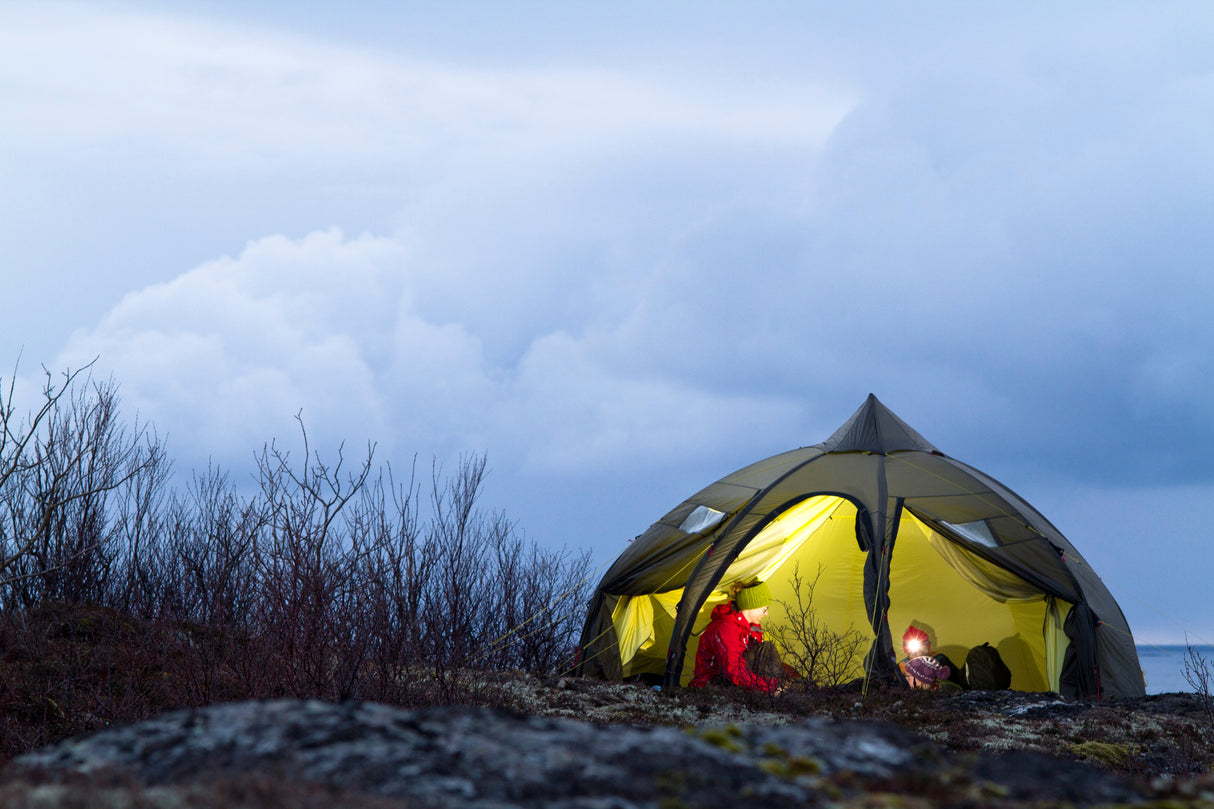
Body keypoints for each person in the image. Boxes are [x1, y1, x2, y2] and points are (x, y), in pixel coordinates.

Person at [689, 581, 784, 693]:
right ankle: (775, 693)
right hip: (712, 684)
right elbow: (734, 670)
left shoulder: (753, 627)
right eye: (764, 609)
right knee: (766, 649)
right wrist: (769, 686)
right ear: (752, 606)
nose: (766, 614)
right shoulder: (726, 628)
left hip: (733, 681)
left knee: (767, 651)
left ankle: (778, 691)